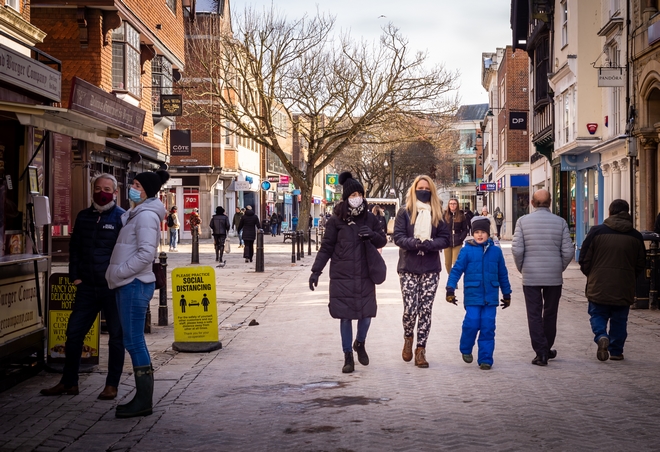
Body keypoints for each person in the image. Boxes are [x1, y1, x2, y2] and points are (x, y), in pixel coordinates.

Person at [40, 173, 125, 400]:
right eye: (98, 188)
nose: (102, 192)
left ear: (115, 193)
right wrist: (75, 276)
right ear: (92, 190)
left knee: (117, 336)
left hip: (111, 288)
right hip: (87, 287)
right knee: (74, 333)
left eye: (107, 188)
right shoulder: (83, 216)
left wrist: (118, 278)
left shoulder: (121, 218)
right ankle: (69, 382)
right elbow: (75, 247)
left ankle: (112, 385)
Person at [106, 170, 170, 418]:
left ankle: (143, 400)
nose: (131, 188)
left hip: (133, 283)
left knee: (133, 341)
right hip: (129, 283)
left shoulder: (145, 217)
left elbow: (145, 254)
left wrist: (120, 273)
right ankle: (141, 398)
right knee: (132, 340)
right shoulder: (137, 214)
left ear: (145, 190)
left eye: (135, 184)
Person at [309, 172, 386, 373]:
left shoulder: (369, 218)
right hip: (342, 276)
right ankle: (348, 356)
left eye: (359, 194)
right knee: (345, 317)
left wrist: (372, 235)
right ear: (346, 198)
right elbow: (326, 246)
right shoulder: (336, 220)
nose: (356, 198)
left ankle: (359, 343)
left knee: (366, 315)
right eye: (353, 195)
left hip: (365, 274)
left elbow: (382, 240)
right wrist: (316, 271)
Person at [511, 189, 574, 366]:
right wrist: (559, 267)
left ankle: (541, 351)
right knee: (551, 312)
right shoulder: (560, 222)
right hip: (554, 276)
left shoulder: (522, 222)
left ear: (532, 203)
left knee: (534, 314)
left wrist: (522, 267)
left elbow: (517, 250)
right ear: (550, 202)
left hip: (531, 275)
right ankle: (546, 347)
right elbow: (568, 251)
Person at [393, 175, 450, 368]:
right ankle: (408, 337)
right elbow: (398, 237)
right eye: (420, 187)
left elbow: (445, 239)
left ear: (431, 190)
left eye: (427, 187)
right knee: (410, 309)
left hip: (430, 269)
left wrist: (430, 244)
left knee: (425, 310)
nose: (423, 190)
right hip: (408, 266)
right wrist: (414, 243)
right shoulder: (405, 212)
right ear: (414, 189)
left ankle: (420, 349)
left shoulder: (438, 213)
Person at [578, 199, 646, 361]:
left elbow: (584, 258)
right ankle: (616, 350)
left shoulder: (596, 231)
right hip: (624, 284)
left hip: (599, 283)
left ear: (609, 212)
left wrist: (592, 274)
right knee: (620, 319)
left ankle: (601, 335)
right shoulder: (636, 236)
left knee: (597, 314)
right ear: (627, 213)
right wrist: (629, 276)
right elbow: (641, 263)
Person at [446, 216, 512, 370]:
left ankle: (486, 359)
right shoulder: (466, 250)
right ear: (472, 234)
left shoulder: (496, 252)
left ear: (488, 234)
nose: (480, 235)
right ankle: (466, 348)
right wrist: (450, 288)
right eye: (477, 232)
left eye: (483, 232)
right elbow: (456, 270)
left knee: (488, 327)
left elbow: (503, 273)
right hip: (473, 295)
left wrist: (507, 293)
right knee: (472, 323)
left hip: (490, 296)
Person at [443, 198, 469, 275]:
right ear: (448, 205)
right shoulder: (445, 215)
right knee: (447, 263)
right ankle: (451, 277)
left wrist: (461, 238)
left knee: (455, 262)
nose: (452, 205)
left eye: (454, 203)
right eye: (451, 203)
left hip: (457, 241)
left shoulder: (461, 216)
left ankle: (453, 280)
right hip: (447, 242)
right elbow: (441, 228)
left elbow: (465, 229)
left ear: (457, 205)